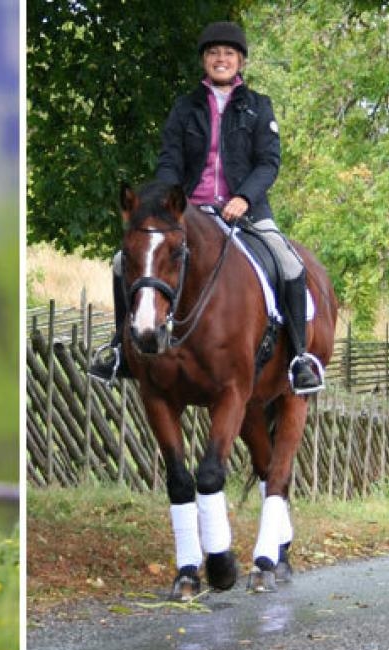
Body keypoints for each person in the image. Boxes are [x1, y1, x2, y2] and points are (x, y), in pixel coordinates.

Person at [88, 20, 325, 395]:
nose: (221, 59)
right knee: (122, 261)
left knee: (291, 265)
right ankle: (121, 348)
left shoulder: (259, 107)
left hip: (247, 211)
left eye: (228, 54)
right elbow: (170, 160)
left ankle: (298, 359)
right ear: (204, 60)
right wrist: (170, 201)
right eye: (214, 53)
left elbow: (268, 162)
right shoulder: (185, 108)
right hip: (190, 212)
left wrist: (243, 196)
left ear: (241, 61)